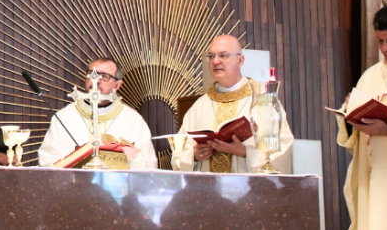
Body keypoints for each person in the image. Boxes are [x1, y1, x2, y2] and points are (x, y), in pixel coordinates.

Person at [336, 5, 387, 230]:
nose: (384, 48)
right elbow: (353, 142)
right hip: (373, 182)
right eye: (379, 41)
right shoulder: (370, 76)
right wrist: (349, 115)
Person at [173, 35, 294, 173]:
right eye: (211, 56)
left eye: (223, 55)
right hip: (209, 192)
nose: (215, 61)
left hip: (249, 191)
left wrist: (244, 153)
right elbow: (178, 154)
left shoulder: (263, 101)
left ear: (240, 60)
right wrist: (193, 156)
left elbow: (283, 148)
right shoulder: (199, 106)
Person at [37, 58, 158, 169]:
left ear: (117, 85)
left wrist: (114, 163)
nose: (96, 80)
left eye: (104, 76)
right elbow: (48, 161)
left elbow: (147, 164)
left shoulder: (134, 120)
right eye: (92, 74)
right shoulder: (63, 117)